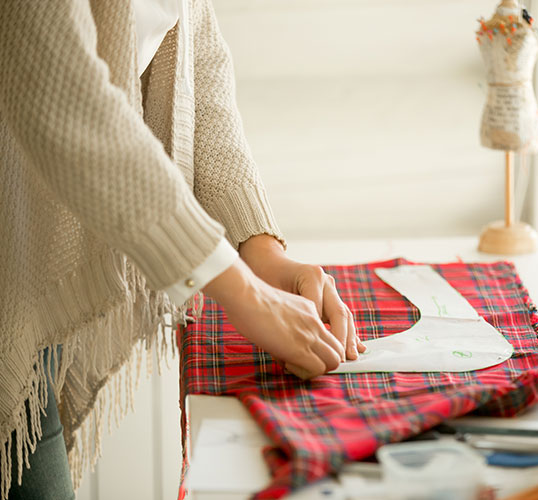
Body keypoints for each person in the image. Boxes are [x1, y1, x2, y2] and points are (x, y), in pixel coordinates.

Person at [0, 0, 364, 498]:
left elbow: (198, 59)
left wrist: (258, 247)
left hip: (33, 285)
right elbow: (62, 100)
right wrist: (243, 294)